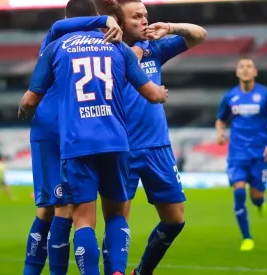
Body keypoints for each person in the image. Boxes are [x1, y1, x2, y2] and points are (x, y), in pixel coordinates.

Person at [19, 0, 168, 274]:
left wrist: (25, 111)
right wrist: (104, 23)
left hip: (68, 136)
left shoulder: (54, 45)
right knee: (107, 213)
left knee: (64, 213)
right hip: (109, 138)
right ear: (96, 17)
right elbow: (151, 93)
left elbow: (30, 99)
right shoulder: (115, 46)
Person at [99, 1, 207, 275]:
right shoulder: (103, 50)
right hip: (122, 148)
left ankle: (142, 271)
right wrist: (130, 52)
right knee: (117, 218)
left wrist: (170, 27)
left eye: (145, 15)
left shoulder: (154, 48)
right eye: (136, 17)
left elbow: (199, 35)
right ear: (119, 22)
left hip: (158, 148)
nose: (144, 20)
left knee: (175, 219)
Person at [19, 9, 124, 275]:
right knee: (55, 210)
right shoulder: (63, 40)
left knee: (57, 210)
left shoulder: (62, 45)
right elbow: (58, 24)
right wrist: (104, 19)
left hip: (61, 130)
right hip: (60, 131)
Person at [215, 57, 267, 251]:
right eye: (241, 66)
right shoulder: (229, 97)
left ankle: (260, 202)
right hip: (237, 153)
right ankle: (247, 237)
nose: (245, 69)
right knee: (239, 191)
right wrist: (220, 132)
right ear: (237, 72)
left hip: (260, 153)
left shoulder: (266, 95)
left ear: (255, 72)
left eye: (249, 66)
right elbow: (220, 119)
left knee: (256, 196)